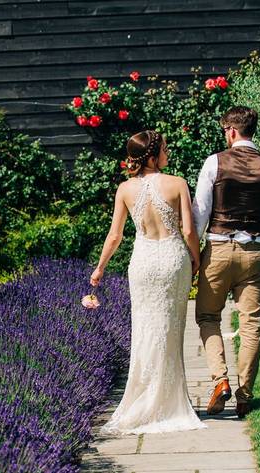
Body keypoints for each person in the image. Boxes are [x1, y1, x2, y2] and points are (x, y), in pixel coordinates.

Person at [90, 130, 207, 435]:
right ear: (153, 156)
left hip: (142, 262)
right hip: (171, 260)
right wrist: (196, 258)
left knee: (143, 329)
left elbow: (115, 236)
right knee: (171, 329)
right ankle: (168, 403)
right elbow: (189, 230)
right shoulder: (177, 183)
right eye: (165, 150)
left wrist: (100, 268)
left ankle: (144, 399)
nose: (168, 153)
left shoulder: (125, 189)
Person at [192, 106, 260, 419]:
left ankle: (220, 379)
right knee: (250, 326)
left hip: (220, 250)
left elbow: (200, 214)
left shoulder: (214, 162)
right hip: (256, 253)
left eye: (225, 131)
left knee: (208, 315)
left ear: (232, 131)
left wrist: (195, 254)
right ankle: (245, 395)